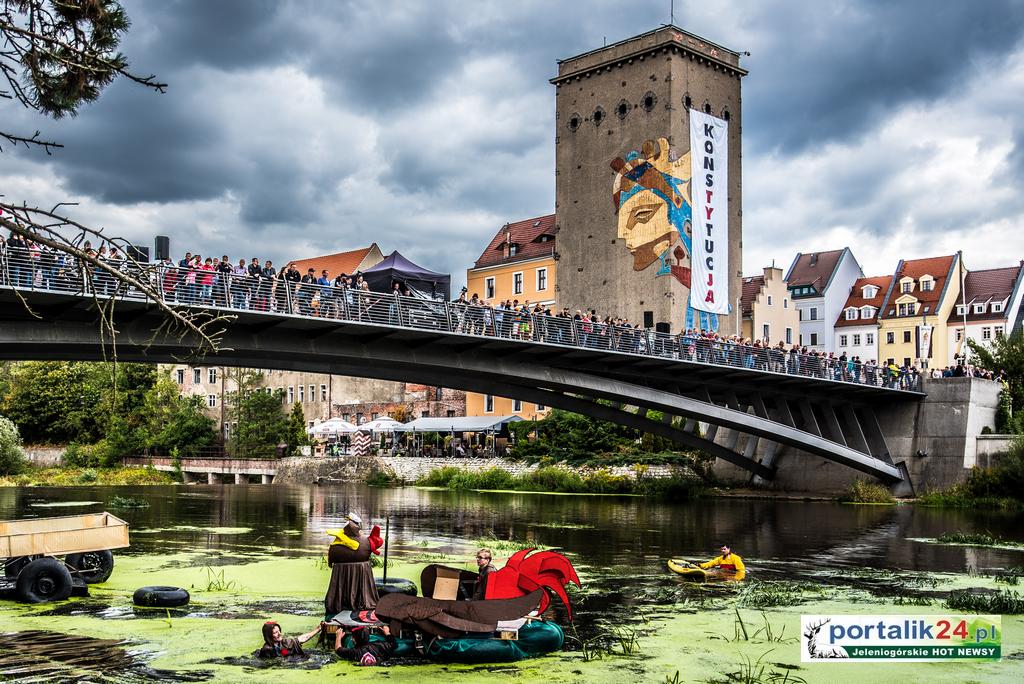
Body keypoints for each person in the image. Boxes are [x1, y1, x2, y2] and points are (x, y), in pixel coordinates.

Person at [324, 512, 379, 615]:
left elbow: (330, 561)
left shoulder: (335, 545)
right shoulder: (366, 542)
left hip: (340, 571)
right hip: (362, 569)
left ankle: (339, 602)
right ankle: (360, 601)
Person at [333, 624, 397, 666]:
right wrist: (387, 632)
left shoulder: (354, 652)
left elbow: (338, 650)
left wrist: (338, 636)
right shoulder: (379, 646)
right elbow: (393, 644)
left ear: (354, 640)